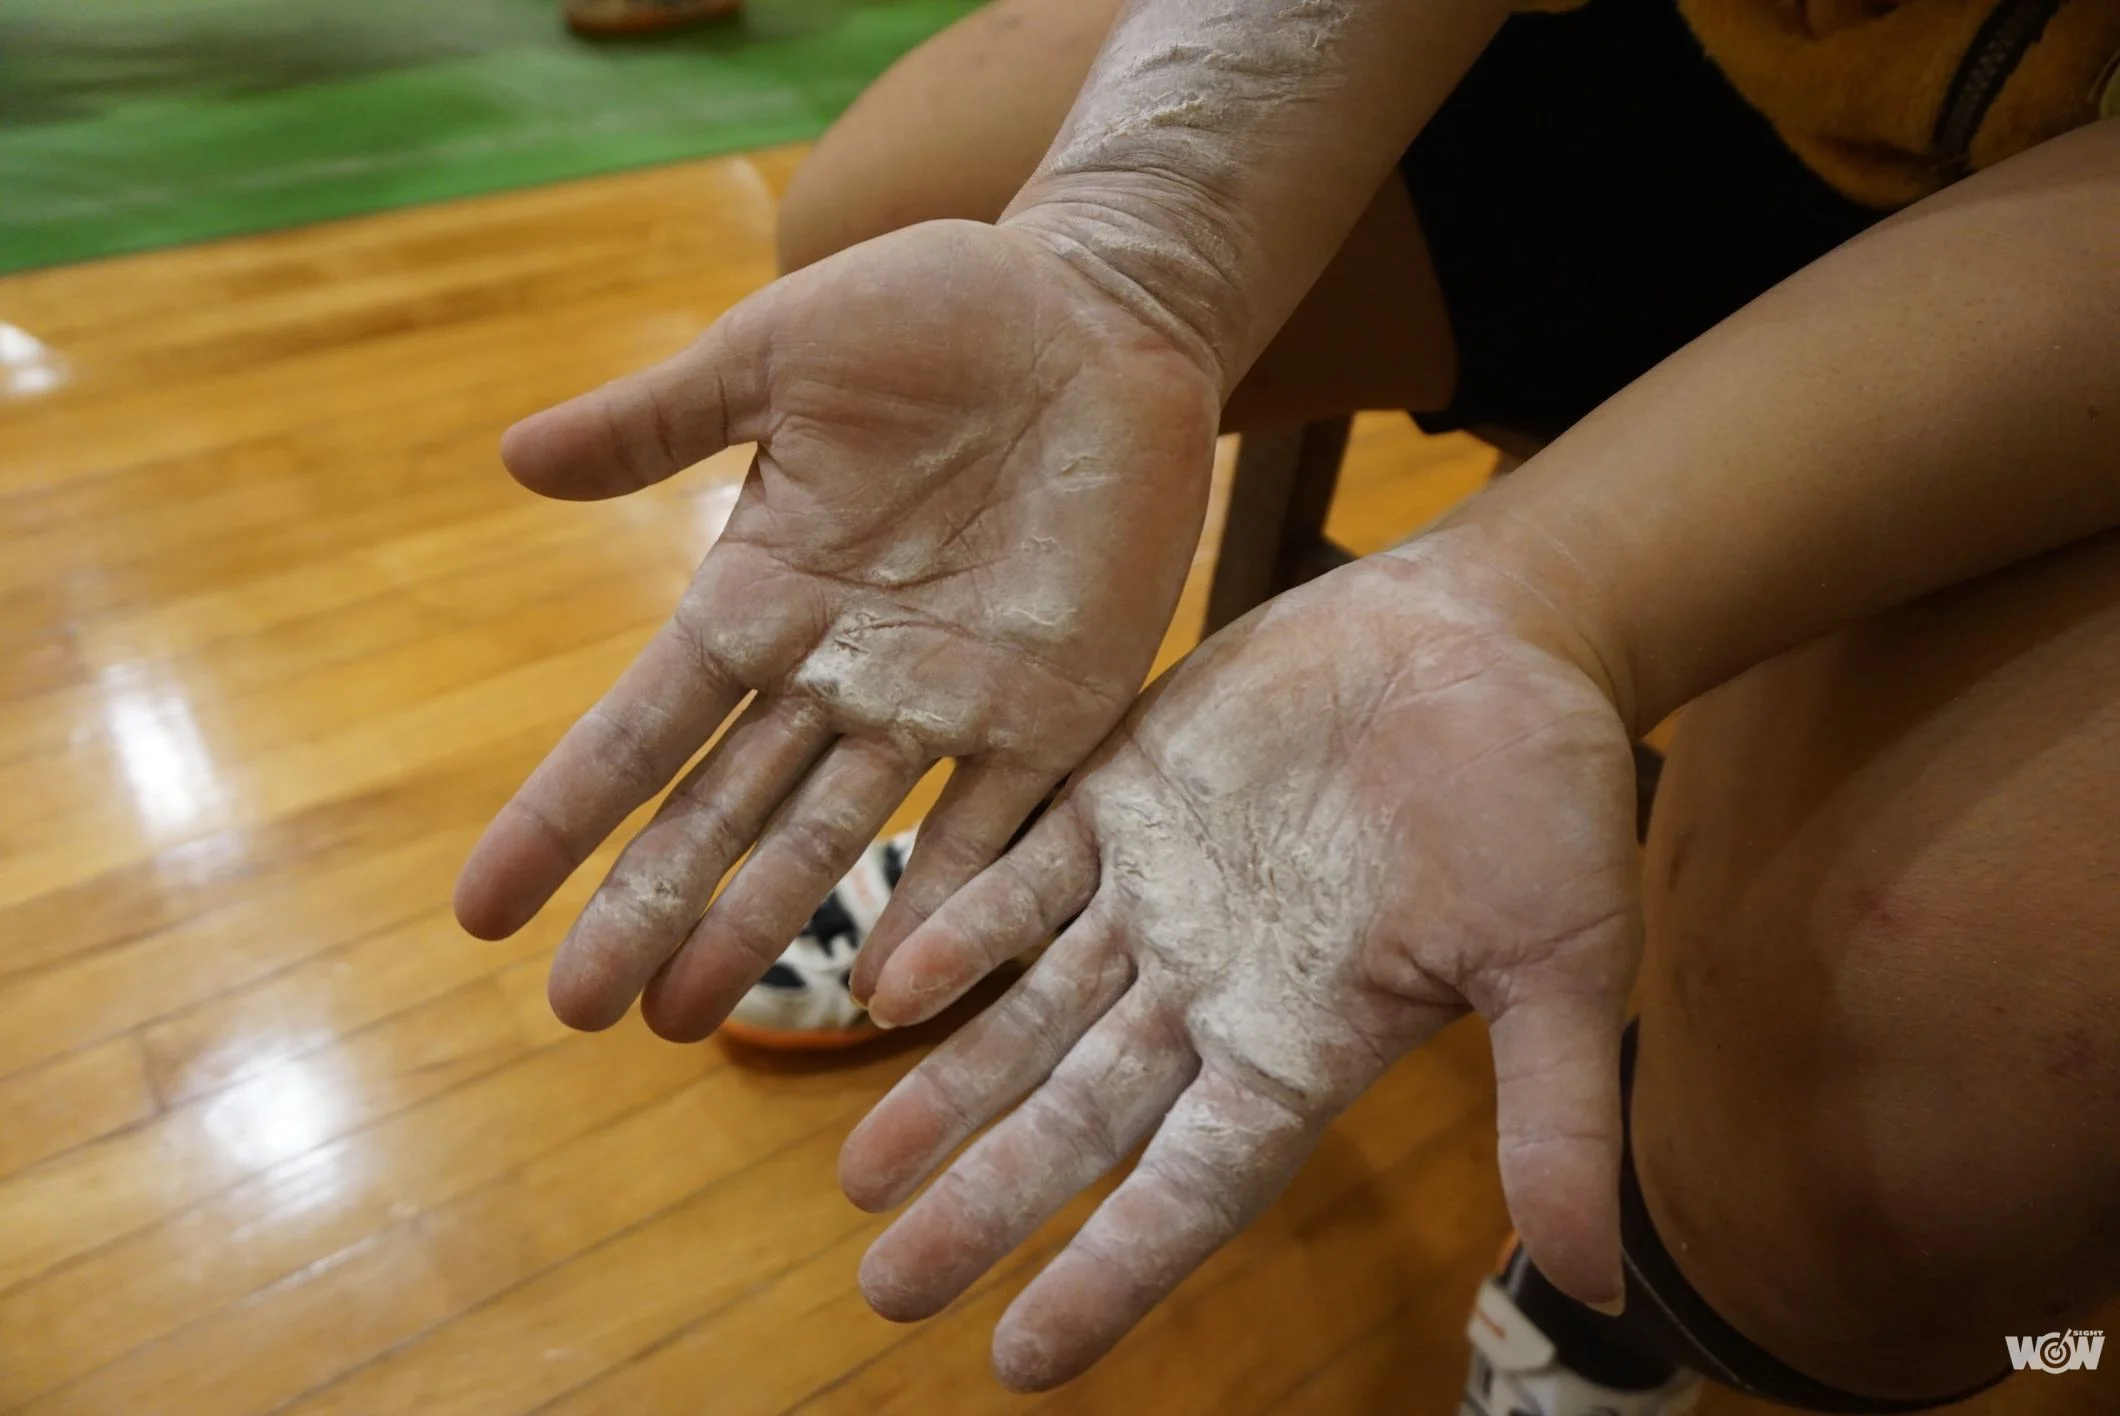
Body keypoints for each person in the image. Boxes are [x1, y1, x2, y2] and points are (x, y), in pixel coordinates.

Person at [453, 0, 2120, 1407]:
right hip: (1728, 67)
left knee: (1889, 1082)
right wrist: (1136, 244)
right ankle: (1070, 828)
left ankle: (1633, 1284)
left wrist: (1536, 588)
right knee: (918, 199)